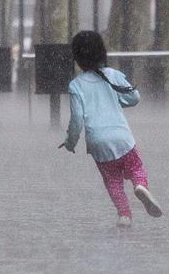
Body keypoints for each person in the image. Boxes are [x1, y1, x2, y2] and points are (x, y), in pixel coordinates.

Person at [59, 30, 162, 227]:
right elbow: (134, 98)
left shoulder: (76, 85)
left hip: (98, 144)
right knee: (135, 167)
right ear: (102, 53)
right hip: (122, 137)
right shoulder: (113, 75)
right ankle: (140, 186)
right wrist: (115, 102)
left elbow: (77, 120)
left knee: (112, 180)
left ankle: (124, 214)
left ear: (77, 58)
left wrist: (70, 142)